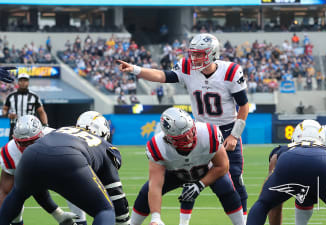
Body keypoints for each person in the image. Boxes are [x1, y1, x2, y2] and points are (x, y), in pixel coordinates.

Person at [118, 33, 249, 224]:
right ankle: (183, 222)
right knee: (189, 176)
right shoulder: (187, 67)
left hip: (226, 130)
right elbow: (162, 76)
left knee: (234, 180)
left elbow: (243, 106)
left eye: (199, 54)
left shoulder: (230, 72)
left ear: (212, 54)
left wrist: (235, 135)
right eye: (193, 54)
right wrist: (135, 69)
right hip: (199, 131)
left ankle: (242, 221)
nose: (194, 59)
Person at [0, 112, 131, 225]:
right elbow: (117, 198)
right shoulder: (106, 147)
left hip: (31, 155)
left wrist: (57, 213)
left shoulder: (64, 129)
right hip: (70, 158)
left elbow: (37, 187)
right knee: (105, 210)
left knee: (16, 195)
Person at [130, 107, 244, 225]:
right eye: (182, 138)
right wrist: (155, 218)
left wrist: (200, 184)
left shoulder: (208, 133)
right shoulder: (158, 146)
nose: (189, 139)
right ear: (169, 139)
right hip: (176, 172)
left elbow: (223, 166)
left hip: (206, 168)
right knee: (146, 191)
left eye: (191, 132)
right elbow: (155, 186)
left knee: (226, 187)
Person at [247, 120, 326, 225]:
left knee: (262, 204)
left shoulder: (284, 149)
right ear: (321, 138)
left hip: (290, 159)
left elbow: (273, 206)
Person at [2, 73, 48, 140]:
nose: (23, 83)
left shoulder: (34, 96)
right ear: (18, 82)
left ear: (28, 82)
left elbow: (41, 112)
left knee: (31, 147)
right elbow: (4, 109)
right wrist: (8, 114)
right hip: (15, 125)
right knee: (13, 147)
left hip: (31, 127)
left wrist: (45, 125)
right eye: (21, 81)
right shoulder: (11, 96)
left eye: (25, 81)